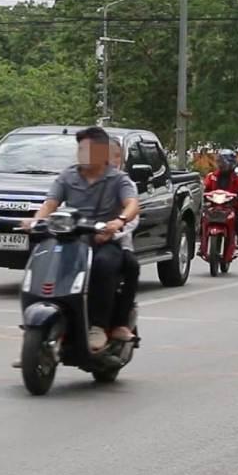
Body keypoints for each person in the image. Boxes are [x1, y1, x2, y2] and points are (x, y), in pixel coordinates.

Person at [22, 126, 140, 352]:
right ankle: (36, 328)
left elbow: (132, 205)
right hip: (71, 239)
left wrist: (118, 222)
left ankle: (98, 326)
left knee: (103, 265)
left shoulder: (119, 180)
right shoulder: (67, 176)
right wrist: (35, 221)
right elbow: (50, 204)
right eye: (81, 149)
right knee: (43, 260)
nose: (83, 154)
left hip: (104, 241)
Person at [108, 139, 139, 342]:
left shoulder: (124, 183)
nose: (113, 160)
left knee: (130, 266)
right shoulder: (76, 180)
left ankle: (120, 322)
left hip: (116, 243)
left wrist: (114, 229)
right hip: (81, 243)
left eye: (117, 156)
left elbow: (132, 216)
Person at [203, 148, 238, 261]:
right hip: (214, 207)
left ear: (231, 163)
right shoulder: (212, 176)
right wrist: (202, 193)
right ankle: (201, 246)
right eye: (219, 162)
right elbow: (205, 186)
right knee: (201, 222)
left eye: (224, 162)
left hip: (232, 208)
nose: (221, 165)